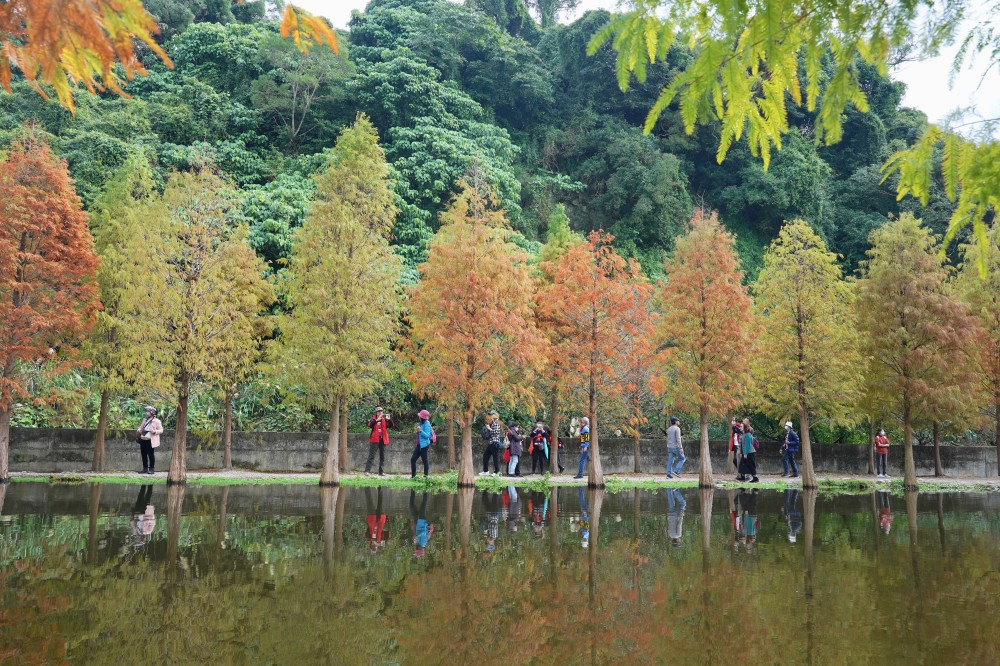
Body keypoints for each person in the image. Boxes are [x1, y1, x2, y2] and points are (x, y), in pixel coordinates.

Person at [364, 407, 394, 475]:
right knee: (371, 456)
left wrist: (389, 420)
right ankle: (367, 471)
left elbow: (391, 425)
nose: (380, 412)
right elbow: (370, 425)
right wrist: (377, 420)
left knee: (382, 456)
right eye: (379, 411)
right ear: (376, 413)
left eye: (381, 411)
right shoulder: (373, 419)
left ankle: (381, 472)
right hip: (374, 440)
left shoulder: (385, 420)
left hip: (383, 440)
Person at [136, 406, 163, 475]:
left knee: (150, 455)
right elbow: (141, 427)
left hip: (150, 440)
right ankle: (145, 468)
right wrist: (139, 429)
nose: (147, 412)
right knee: (143, 454)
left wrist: (155, 431)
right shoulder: (145, 419)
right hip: (143, 439)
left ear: (152, 412)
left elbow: (161, 430)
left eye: (148, 411)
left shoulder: (157, 421)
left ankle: (151, 469)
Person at [409, 490, 434, 557]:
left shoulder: (418, 544)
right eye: (416, 550)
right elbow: (423, 532)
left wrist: (414, 531)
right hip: (422, 520)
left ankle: (413, 489)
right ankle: (425, 488)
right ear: (419, 550)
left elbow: (415, 532)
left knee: (411, 505)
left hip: (417, 521)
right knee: (424, 503)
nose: (414, 549)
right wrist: (417, 536)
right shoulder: (423, 543)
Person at [410, 409, 434, 478]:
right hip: (419, 445)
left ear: (423, 417)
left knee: (424, 460)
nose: (419, 417)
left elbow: (427, 436)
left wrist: (420, 431)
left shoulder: (427, 424)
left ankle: (425, 477)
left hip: (425, 445)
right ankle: (413, 477)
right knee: (413, 459)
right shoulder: (420, 423)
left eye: (420, 416)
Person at [364, 486, 388, 554]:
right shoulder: (379, 540)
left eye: (373, 547)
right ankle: (380, 487)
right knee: (381, 501)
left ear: (370, 545)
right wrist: (383, 541)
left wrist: (371, 539)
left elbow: (365, 534)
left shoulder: (368, 539)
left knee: (369, 500)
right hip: (380, 519)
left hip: (371, 518)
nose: (374, 546)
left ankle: (366, 485)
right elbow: (386, 533)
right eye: (375, 547)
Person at [480, 411, 502, 476]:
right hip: (491, 442)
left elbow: (496, 432)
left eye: (492, 414)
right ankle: (486, 471)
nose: (491, 416)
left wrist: (489, 429)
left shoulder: (497, 422)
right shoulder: (493, 422)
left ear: (495, 415)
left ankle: (497, 472)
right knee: (485, 456)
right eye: (490, 415)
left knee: (495, 458)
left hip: (494, 443)